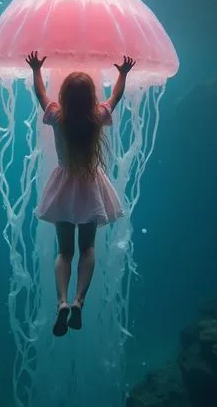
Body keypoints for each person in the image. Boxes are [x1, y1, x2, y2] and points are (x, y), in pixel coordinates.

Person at [26, 52, 136, 337]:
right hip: (90, 187)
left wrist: (36, 69)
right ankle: (79, 301)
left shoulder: (56, 115)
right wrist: (123, 73)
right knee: (87, 248)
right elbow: (117, 97)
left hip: (63, 187)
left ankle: (61, 301)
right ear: (90, 97)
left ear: (62, 95)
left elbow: (40, 94)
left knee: (65, 251)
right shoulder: (98, 116)